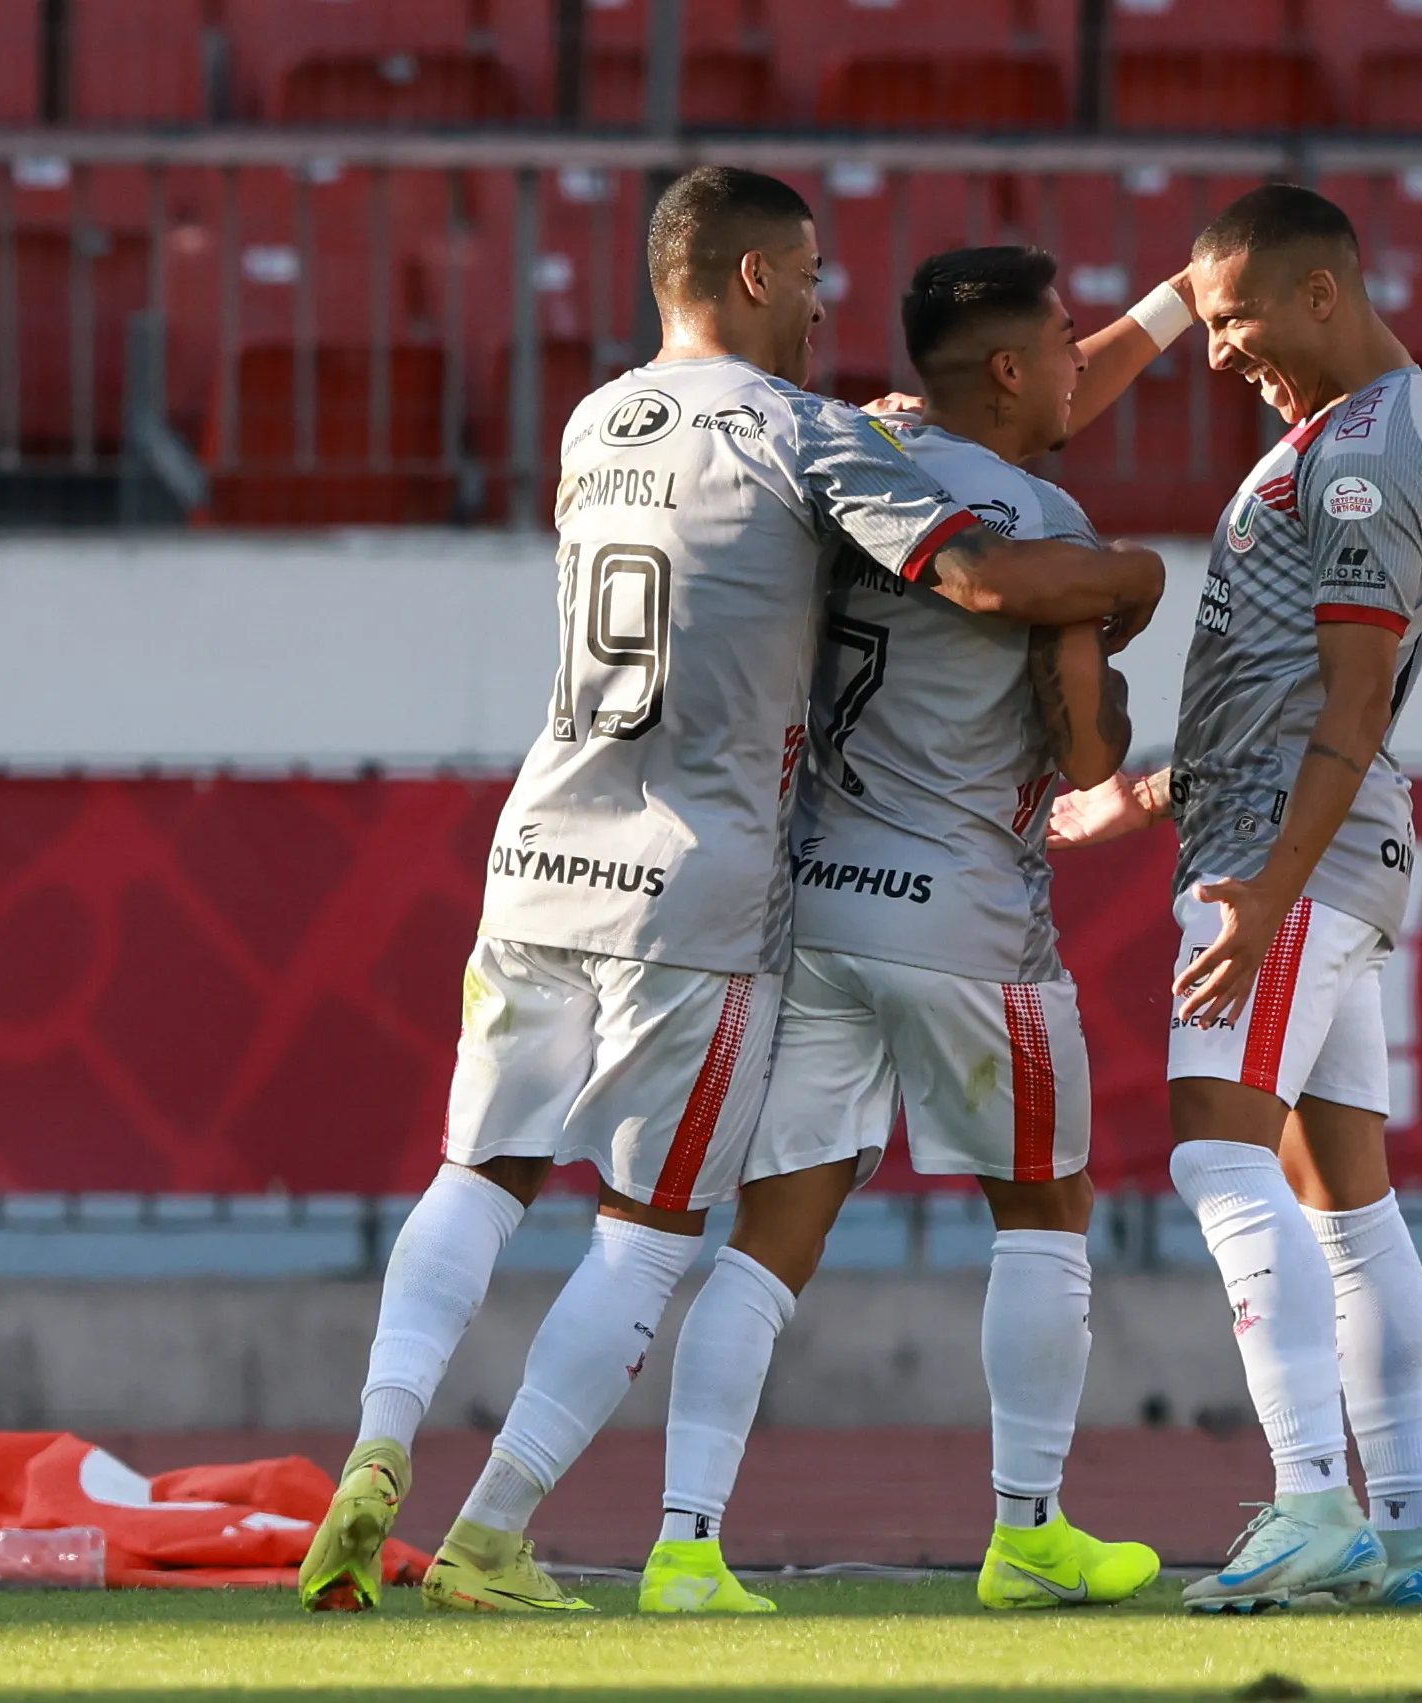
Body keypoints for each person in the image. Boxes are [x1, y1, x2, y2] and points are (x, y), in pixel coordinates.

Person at [295, 168, 1168, 1616]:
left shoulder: (594, 422)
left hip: (540, 852)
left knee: (480, 1173)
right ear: (755, 278)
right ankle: (494, 1531)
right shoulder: (806, 436)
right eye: (811, 274)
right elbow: (990, 578)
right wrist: (1126, 569)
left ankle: (380, 1438)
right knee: (648, 1228)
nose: (827, 303)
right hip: (700, 892)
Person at [634, 245, 1170, 1616]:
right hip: (966, 919)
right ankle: (1028, 1529)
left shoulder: (845, 467)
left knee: (770, 1230)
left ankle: (685, 1540)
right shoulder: (1040, 517)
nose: (1075, 364)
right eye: (1061, 342)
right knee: (1043, 1202)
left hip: (812, 898)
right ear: (1006, 368)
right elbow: (1083, 751)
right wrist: (1111, 613)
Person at [1050, 184, 1422, 1612]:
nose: (1222, 353)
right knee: (1344, 1202)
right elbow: (1291, 700)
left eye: (1233, 320)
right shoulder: (1363, 432)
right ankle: (1407, 1533)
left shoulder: (1353, 458)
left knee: (1213, 1154)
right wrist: (1141, 798)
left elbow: (1351, 699)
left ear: (1321, 293)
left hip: (1290, 859)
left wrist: (1261, 893)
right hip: (1300, 842)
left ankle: (1309, 1497)